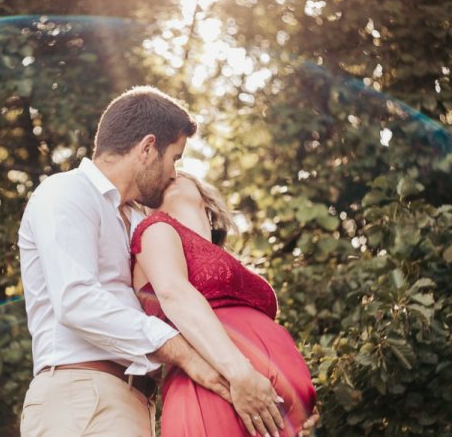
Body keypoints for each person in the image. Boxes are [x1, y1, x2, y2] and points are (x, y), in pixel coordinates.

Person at [17, 86, 285, 437]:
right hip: (81, 394)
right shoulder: (66, 193)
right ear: (147, 148)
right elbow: (76, 301)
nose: (174, 173)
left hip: (133, 401)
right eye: (174, 158)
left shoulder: (137, 222)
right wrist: (188, 356)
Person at [131, 171, 319, 437]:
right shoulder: (155, 229)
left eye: (178, 172)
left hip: (269, 407)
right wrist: (240, 374)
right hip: (220, 391)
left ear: (205, 200)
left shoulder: (226, 259)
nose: (169, 174)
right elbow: (174, 293)